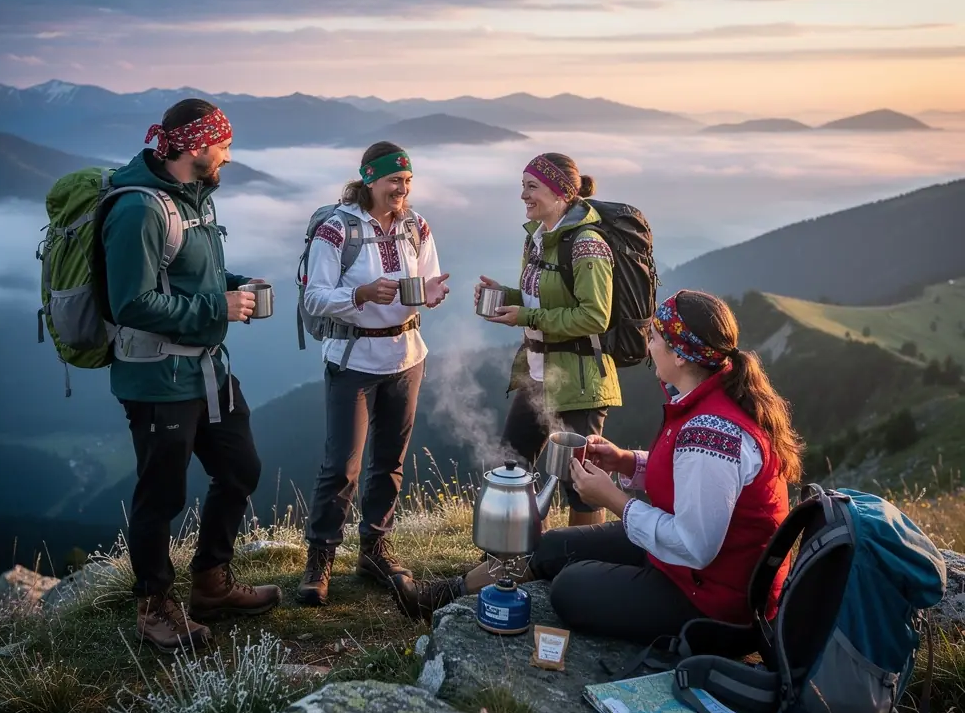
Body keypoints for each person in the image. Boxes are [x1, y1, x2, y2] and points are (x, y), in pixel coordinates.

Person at [393, 289, 804, 644]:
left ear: (680, 354)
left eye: (655, 338)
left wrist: (614, 499)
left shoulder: (711, 433)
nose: (649, 346)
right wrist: (626, 460)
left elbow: (696, 546)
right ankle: (446, 594)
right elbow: (686, 478)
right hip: (685, 569)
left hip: (713, 603)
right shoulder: (705, 404)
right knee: (553, 545)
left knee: (570, 589)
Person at [102, 99, 280, 652]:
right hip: (158, 377)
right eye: (223, 144)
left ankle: (210, 582)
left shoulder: (194, 200)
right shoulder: (141, 210)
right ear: (196, 147)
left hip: (206, 369)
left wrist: (237, 285)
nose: (228, 154)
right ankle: (154, 609)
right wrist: (217, 309)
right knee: (161, 495)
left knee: (240, 468)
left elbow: (191, 273)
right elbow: (130, 302)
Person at [297, 141, 450, 605]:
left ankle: (374, 548)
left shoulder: (416, 225)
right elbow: (314, 298)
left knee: (390, 461)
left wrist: (432, 291)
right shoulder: (335, 230)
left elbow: (427, 279)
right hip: (353, 360)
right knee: (342, 464)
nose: (402, 190)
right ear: (369, 179)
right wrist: (361, 294)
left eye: (407, 181)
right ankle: (320, 557)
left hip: (406, 355)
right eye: (393, 182)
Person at [478, 153, 621, 526]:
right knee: (512, 464)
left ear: (560, 192)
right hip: (537, 373)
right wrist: (507, 295)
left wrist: (526, 316)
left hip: (579, 379)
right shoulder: (538, 239)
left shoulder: (588, 244)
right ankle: (518, 552)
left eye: (532, 187)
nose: (523, 196)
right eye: (522, 187)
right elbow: (542, 297)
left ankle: (580, 563)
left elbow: (595, 316)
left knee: (582, 484)